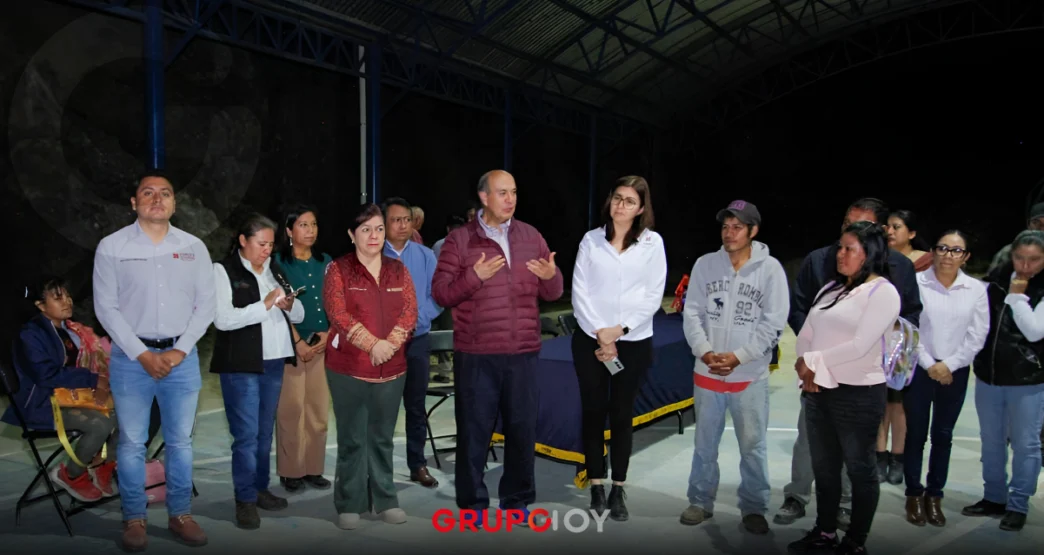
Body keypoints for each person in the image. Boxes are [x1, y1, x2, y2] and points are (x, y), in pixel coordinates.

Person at [774, 198, 922, 529]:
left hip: (858, 381)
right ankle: (800, 498)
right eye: (846, 224)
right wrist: (809, 363)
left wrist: (890, 358)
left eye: (860, 228)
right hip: (817, 377)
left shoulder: (895, 273)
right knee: (811, 444)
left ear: (878, 235)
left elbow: (904, 320)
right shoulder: (822, 265)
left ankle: (847, 512)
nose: (846, 240)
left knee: (855, 457)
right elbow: (802, 313)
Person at [432, 169, 563, 523]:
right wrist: (475, 277)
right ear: (484, 198)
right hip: (477, 354)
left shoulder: (530, 235)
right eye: (502, 193)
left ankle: (517, 498)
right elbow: (441, 292)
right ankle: (472, 503)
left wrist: (552, 278)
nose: (511, 199)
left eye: (514, 192)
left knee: (522, 428)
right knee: (475, 430)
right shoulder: (460, 241)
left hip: (522, 351)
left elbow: (552, 293)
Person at [93, 171, 215, 551]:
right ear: (134, 203)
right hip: (132, 360)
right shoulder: (112, 246)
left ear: (174, 204)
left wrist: (180, 349)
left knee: (180, 442)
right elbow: (106, 308)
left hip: (183, 357)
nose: (157, 199)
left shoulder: (194, 247)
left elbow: (206, 304)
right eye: (148, 193)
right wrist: (142, 354)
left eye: (165, 193)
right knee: (131, 443)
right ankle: (134, 519)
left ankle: (180, 514)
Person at [788, 221, 900, 555]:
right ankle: (824, 532)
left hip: (858, 394)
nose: (841, 254)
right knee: (824, 468)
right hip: (818, 390)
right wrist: (806, 364)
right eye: (840, 247)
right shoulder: (831, 289)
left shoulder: (883, 292)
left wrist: (814, 362)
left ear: (870, 254)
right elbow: (806, 332)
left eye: (850, 248)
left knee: (859, 468)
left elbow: (860, 344)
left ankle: (855, 541)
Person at [679, 200, 789, 534]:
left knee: (753, 446)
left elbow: (774, 323)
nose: (730, 233)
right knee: (704, 444)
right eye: (726, 226)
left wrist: (740, 355)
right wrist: (705, 350)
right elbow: (692, 312)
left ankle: (754, 507)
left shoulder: (770, 270)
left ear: (753, 231)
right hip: (707, 371)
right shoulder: (705, 264)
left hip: (748, 375)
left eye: (737, 227)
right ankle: (700, 501)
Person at [571, 176, 666, 521]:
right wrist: (601, 334)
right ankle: (596, 482)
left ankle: (618, 487)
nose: (620, 205)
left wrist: (619, 330)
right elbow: (579, 290)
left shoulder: (653, 244)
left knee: (622, 415)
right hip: (589, 338)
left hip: (633, 341)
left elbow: (653, 296)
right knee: (593, 412)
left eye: (629, 201)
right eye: (617, 198)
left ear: (641, 208)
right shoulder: (591, 240)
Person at [323, 203, 418, 530]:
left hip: (392, 368)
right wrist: (371, 344)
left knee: (382, 438)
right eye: (366, 229)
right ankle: (350, 502)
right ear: (352, 235)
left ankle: (385, 500)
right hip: (348, 369)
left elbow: (409, 312)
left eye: (379, 228)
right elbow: (338, 313)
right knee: (352, 438)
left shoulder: (398, 270)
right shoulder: (338, 270)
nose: (374, 235)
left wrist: (388, 345)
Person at [212, 213, 304, 529]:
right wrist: (264, 305)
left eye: (270, 244)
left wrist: (290, 304)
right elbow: (223, 320)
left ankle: (260, 488)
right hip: (242, 364)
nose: (267, 250)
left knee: (265, 433)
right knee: (247, 435)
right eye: (261, 243)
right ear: (243, 240)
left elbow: (300, 312)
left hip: (275, 361)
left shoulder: (274, 269)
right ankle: (245, 499)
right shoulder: (223, 270)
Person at [3, 277, 118, 502]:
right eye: (58, 298)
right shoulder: (31, 334)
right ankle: (71, 475)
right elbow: (46, 375)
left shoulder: (71, 330)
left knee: (131, 413)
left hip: (72, 397)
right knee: (100, 424)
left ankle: (102, 462)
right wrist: (94, 379)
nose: (67, 302)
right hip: (41, 404)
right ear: (40, 305)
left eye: (67, 296)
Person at [903, 230, 988, 527]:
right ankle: (913, 493)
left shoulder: (975, 289)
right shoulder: (917, 283)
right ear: (934, 251)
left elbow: (977, 336)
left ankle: (934, 494)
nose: (948, 255)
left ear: (965, 257)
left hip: (956, 371)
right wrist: (929, 364)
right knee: (915, 434)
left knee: (943, 435)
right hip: (921, 368)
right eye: (942, 248)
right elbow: (908, 327)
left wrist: (949, 364)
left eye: (956, 250)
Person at [961, 230, 1044, 532]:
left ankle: (1018, 503)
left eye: (1034, 260)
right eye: (1020, 258)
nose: (1025, 266)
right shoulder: (994, 282)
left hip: (1028, 379)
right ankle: (994, 497)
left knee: (1026, 444)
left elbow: (1035, 331)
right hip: (989, 377)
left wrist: (1018, 295)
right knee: (992, 441)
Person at [382, 197, 443, 488]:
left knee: (415, 406)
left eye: (407, 219)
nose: (403, 225)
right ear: (383, 223)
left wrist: (419, 318)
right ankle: (377, 468)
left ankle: (417, 464)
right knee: (382, 408)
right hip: (383, 345)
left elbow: (438, 296)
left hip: (417, 341)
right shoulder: (371, 254)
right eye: (396, 220)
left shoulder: (425, 256)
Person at [274, 204, 333, 494]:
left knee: (318, 412)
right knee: (291, 410)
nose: (310, 230)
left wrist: (329, 332)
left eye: (313, 225)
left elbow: (336, 301)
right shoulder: (278, 263)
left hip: (322, 343)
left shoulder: (325, 262)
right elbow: (277, 309)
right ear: (288, 231)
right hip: (291, 346)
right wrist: (296, 341)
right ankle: (290, 471)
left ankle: (314, 468)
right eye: (303, 225)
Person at [876, 209, 932, 484]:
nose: (889, 231)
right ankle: (879, 454)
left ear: (911, 233)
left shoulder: (921, 264)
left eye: (896, 226)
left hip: (902, 341)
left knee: (897, 403)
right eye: (887, 226)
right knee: (879, 402)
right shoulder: (878, 258)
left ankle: (897, 457)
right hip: (876, 341)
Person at [987, 202, 1044, 274]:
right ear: (1028, 224)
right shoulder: (1008, 251)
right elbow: (991, 281)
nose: (1041, 228)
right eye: (1036, 223)